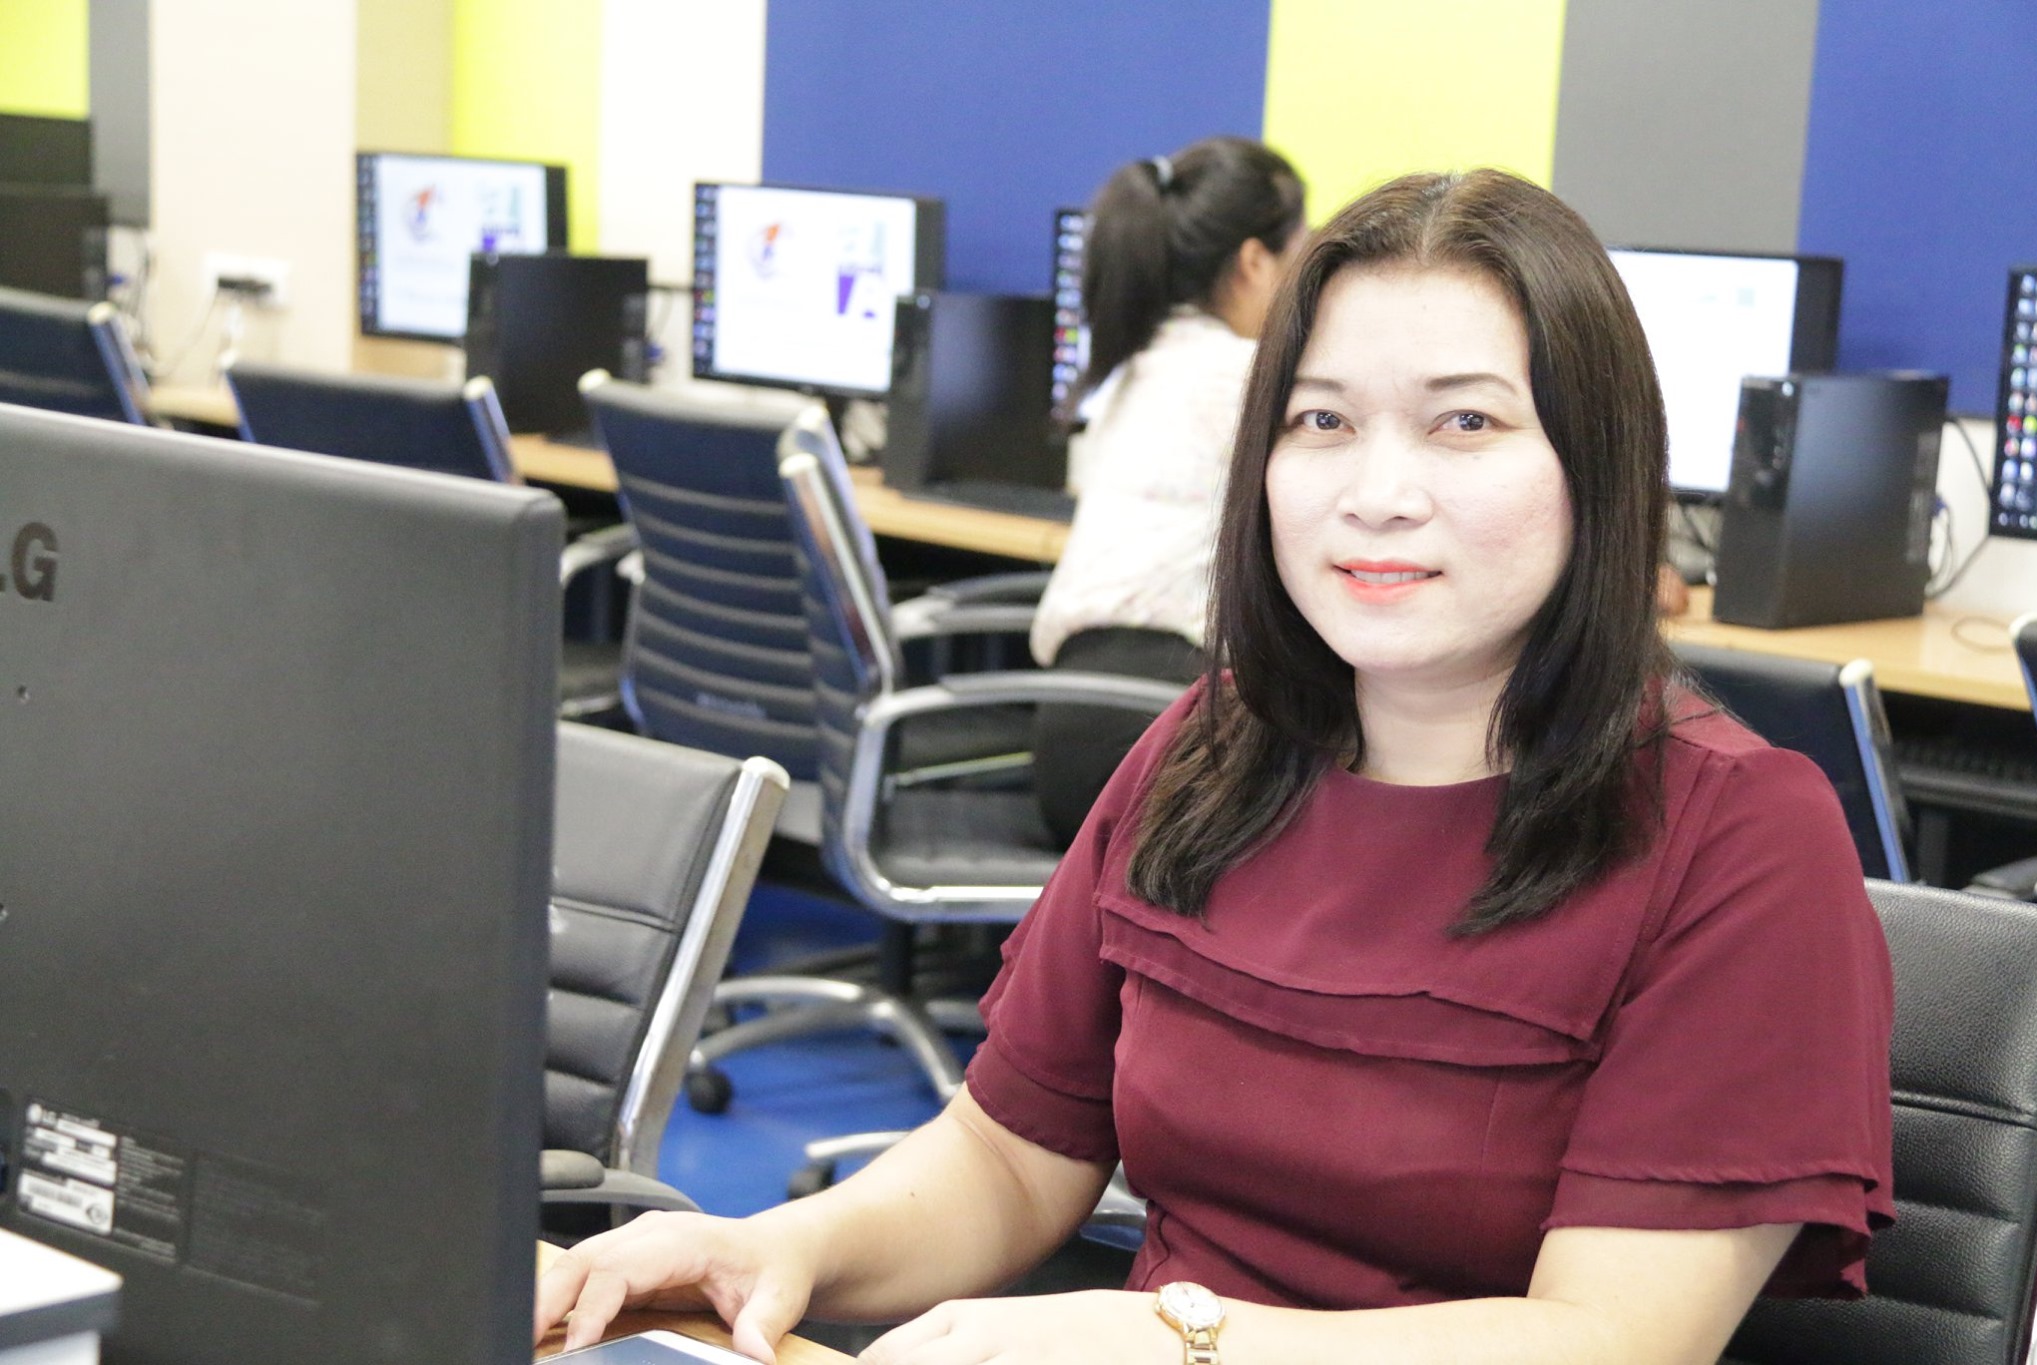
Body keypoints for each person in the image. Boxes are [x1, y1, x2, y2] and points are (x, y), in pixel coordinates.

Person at [535, 169, 1894, 1365]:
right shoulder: (1216, 745)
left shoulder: (1737, 836)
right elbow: (1009, 1158)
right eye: (1321, 422)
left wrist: (1179, 1339)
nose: (1376, 492)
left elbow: (1612, 1341)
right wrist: (774, 1249)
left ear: (1595, 463)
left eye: (1464, 424)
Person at [1031, 136, 1306, 844]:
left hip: (1075, 731)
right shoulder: (1247, 377)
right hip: (1162, 741)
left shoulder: (1134, 368)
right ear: (1255, 262)